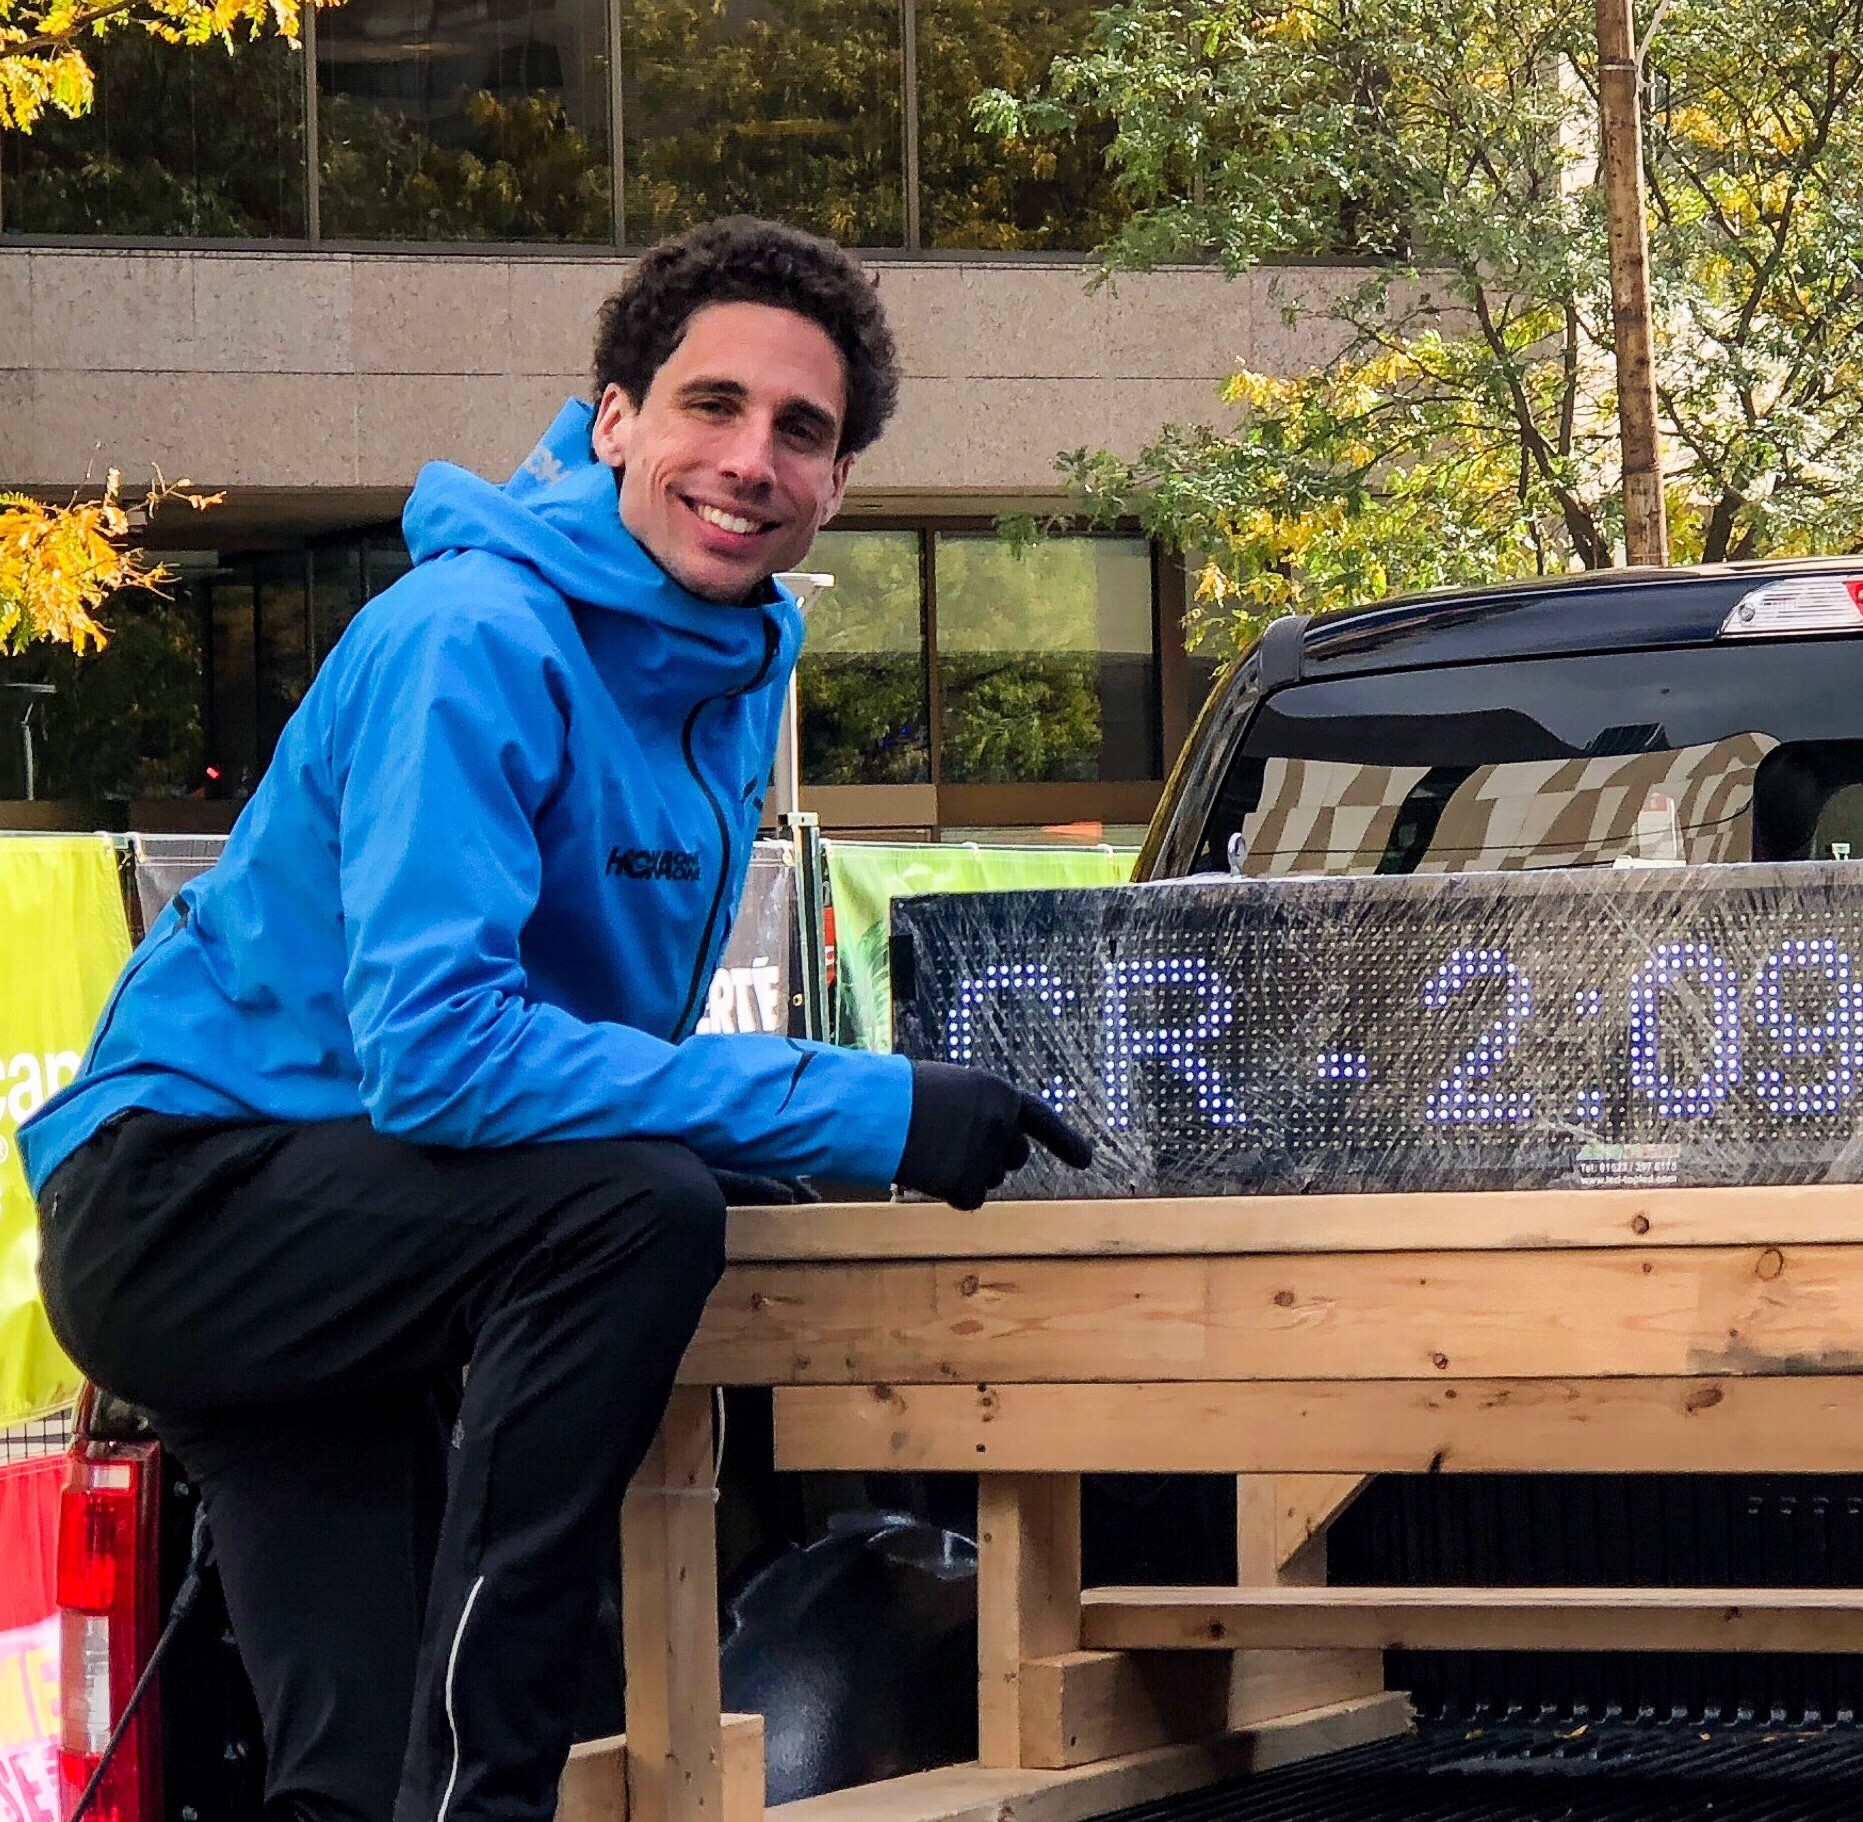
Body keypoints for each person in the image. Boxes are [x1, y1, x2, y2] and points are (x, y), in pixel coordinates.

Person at [25, 216, 1092, 1822]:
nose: (750, 458)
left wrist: (828, 1137)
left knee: (351, 1780)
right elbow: (445, 1054)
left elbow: (576, 1073)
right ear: (613, 421)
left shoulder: (723, 671)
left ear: (837, 485)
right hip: (192, 1198)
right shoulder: (474, 636)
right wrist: (872, 1104)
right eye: (710, 404)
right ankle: (495, 1795)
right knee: (640, 1208)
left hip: (371, 1216)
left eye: (801, 430)